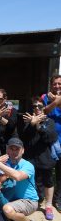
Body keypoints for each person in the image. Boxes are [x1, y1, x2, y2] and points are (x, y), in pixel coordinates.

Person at [22, 97, 58, 220]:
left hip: (45, 158)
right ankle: (32, 202)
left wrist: (37, 125)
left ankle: (48, 206)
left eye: (39, 106)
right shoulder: (27, 121)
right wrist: (31, 124)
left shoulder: (50, 121)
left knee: (48, 181)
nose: (37, 108)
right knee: (30, 181)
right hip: (30, 158)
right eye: (34, 106)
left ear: (44, 108)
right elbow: (23, 138)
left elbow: (51, 137)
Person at [41, 74, 61, 212]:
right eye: (55, 84)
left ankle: (58, 199)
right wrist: (56, 101)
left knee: (60, 173)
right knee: (46, 169)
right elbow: (44, 111)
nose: (57, 86)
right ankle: (42, 196)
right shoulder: (44, 97)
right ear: (51, 85)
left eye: (60, 84)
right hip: (49, 140)